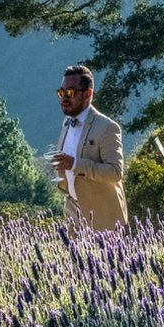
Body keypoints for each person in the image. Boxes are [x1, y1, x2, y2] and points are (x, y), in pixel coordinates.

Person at [53, 64, 127, 231]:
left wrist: (74, 164)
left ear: (88, 94)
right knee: (72, 258)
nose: (64, 97)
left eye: (70, 92)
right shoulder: (67, 122)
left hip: (103, 216)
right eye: (61, 93)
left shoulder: (107, 127)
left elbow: (115, 173)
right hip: (73, 210)